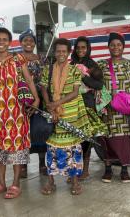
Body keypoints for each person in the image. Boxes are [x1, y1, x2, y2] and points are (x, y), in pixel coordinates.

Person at [0, 27, 40, 199]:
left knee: (16, 147)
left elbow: (29, 79)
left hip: (17, 112)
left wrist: (36, 99)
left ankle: (16, 183)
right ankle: (1, 183)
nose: (1, 42)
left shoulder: (17, 58)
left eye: (4, 39)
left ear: (9, 42)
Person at [39, 38, 93, 195]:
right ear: (54, 53)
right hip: (52, 113)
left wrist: (57, 104)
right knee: (52, 149)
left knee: (73, 148)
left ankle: (75, 182)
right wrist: (50, 106)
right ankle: (51, 182)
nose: (61, 54)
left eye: (64, 51)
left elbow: (75, 92)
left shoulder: (75, 70)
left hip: (70, 114)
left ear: (69, 52)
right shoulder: (47, 69)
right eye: (58, 51)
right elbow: (43, 88)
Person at [97, 32, 130, 183]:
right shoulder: (102, 64)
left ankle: (124, 169)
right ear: (108, 47)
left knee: (125, 139)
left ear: (123, 47)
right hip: (107, 108)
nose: (115, 47)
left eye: (119, 45)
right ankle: (108, 168)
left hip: (125, 109)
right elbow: (96, 85)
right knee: (107, 138)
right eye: (112, 45)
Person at [70, 36, 107, 180]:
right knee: (74, 139)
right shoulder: (71, 63)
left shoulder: (92, 65)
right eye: (78, 47)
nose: (80, 50)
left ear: (88, 49)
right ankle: (75, 170)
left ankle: (84, 170)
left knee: (86, 139)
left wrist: (83, 77)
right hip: (73, 106)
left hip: (88, 106)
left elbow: (99, 85)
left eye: (83, 48)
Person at [18, 29, 50, 178]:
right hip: (22, 101)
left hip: (40, 100)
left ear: (34, 43)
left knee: (41, 130)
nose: (28, 43)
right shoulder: (15, 59)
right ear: (21, 42)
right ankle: (23, 165)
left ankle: (42, 163)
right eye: (25, 40)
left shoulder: (42, 58)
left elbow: (46, 79)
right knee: (23, 132)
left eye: (31, 41)